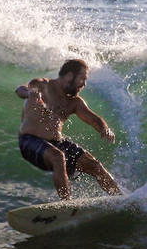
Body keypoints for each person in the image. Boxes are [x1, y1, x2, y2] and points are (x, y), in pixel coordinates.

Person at [15, 59, 123, 200]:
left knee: (95, 166)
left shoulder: (74, 102)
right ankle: (67, 205)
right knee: (58, 157)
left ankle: (120, 199)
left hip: (56, 144)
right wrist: (30, 93)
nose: (84, 84)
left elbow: (94, 119)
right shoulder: (42, 85)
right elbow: (20, 89)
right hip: (29, 140)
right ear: (69, 76)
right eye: (82, 79)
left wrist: (104, 129)